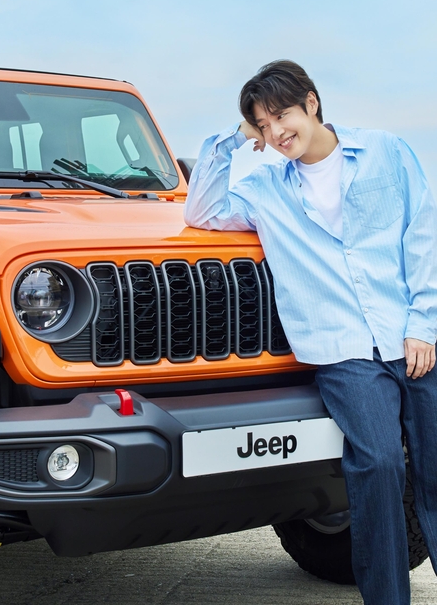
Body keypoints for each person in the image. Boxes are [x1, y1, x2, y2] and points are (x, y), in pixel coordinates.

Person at [183, 59, 437, 605]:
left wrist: (423, 325)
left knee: (435, 469)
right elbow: (201, 210)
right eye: (263, 124)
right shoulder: (265, 188)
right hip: (344, 352)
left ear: (312, 104)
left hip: (411, 335)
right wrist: (236, 137)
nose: (276, 132)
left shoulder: (386, 151)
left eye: (282, 115)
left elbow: (423, 235)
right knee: (378, 465)